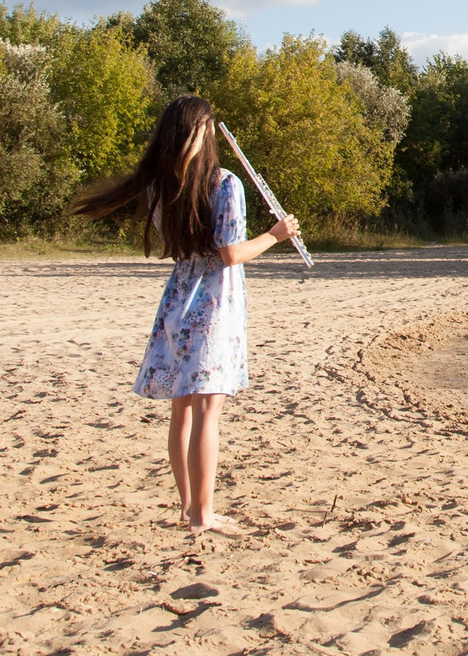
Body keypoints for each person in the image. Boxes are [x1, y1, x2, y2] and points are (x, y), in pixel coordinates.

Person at [75, 94, 301, 531]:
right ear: (201, 132)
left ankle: (186, 508)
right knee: (207, 412)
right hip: (214, 304)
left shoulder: (161, 185)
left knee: (181, 410)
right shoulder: (225, 184)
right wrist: (276, 234)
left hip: (178, 299)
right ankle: (202, 515)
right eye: (209, 126)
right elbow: (230, 253)